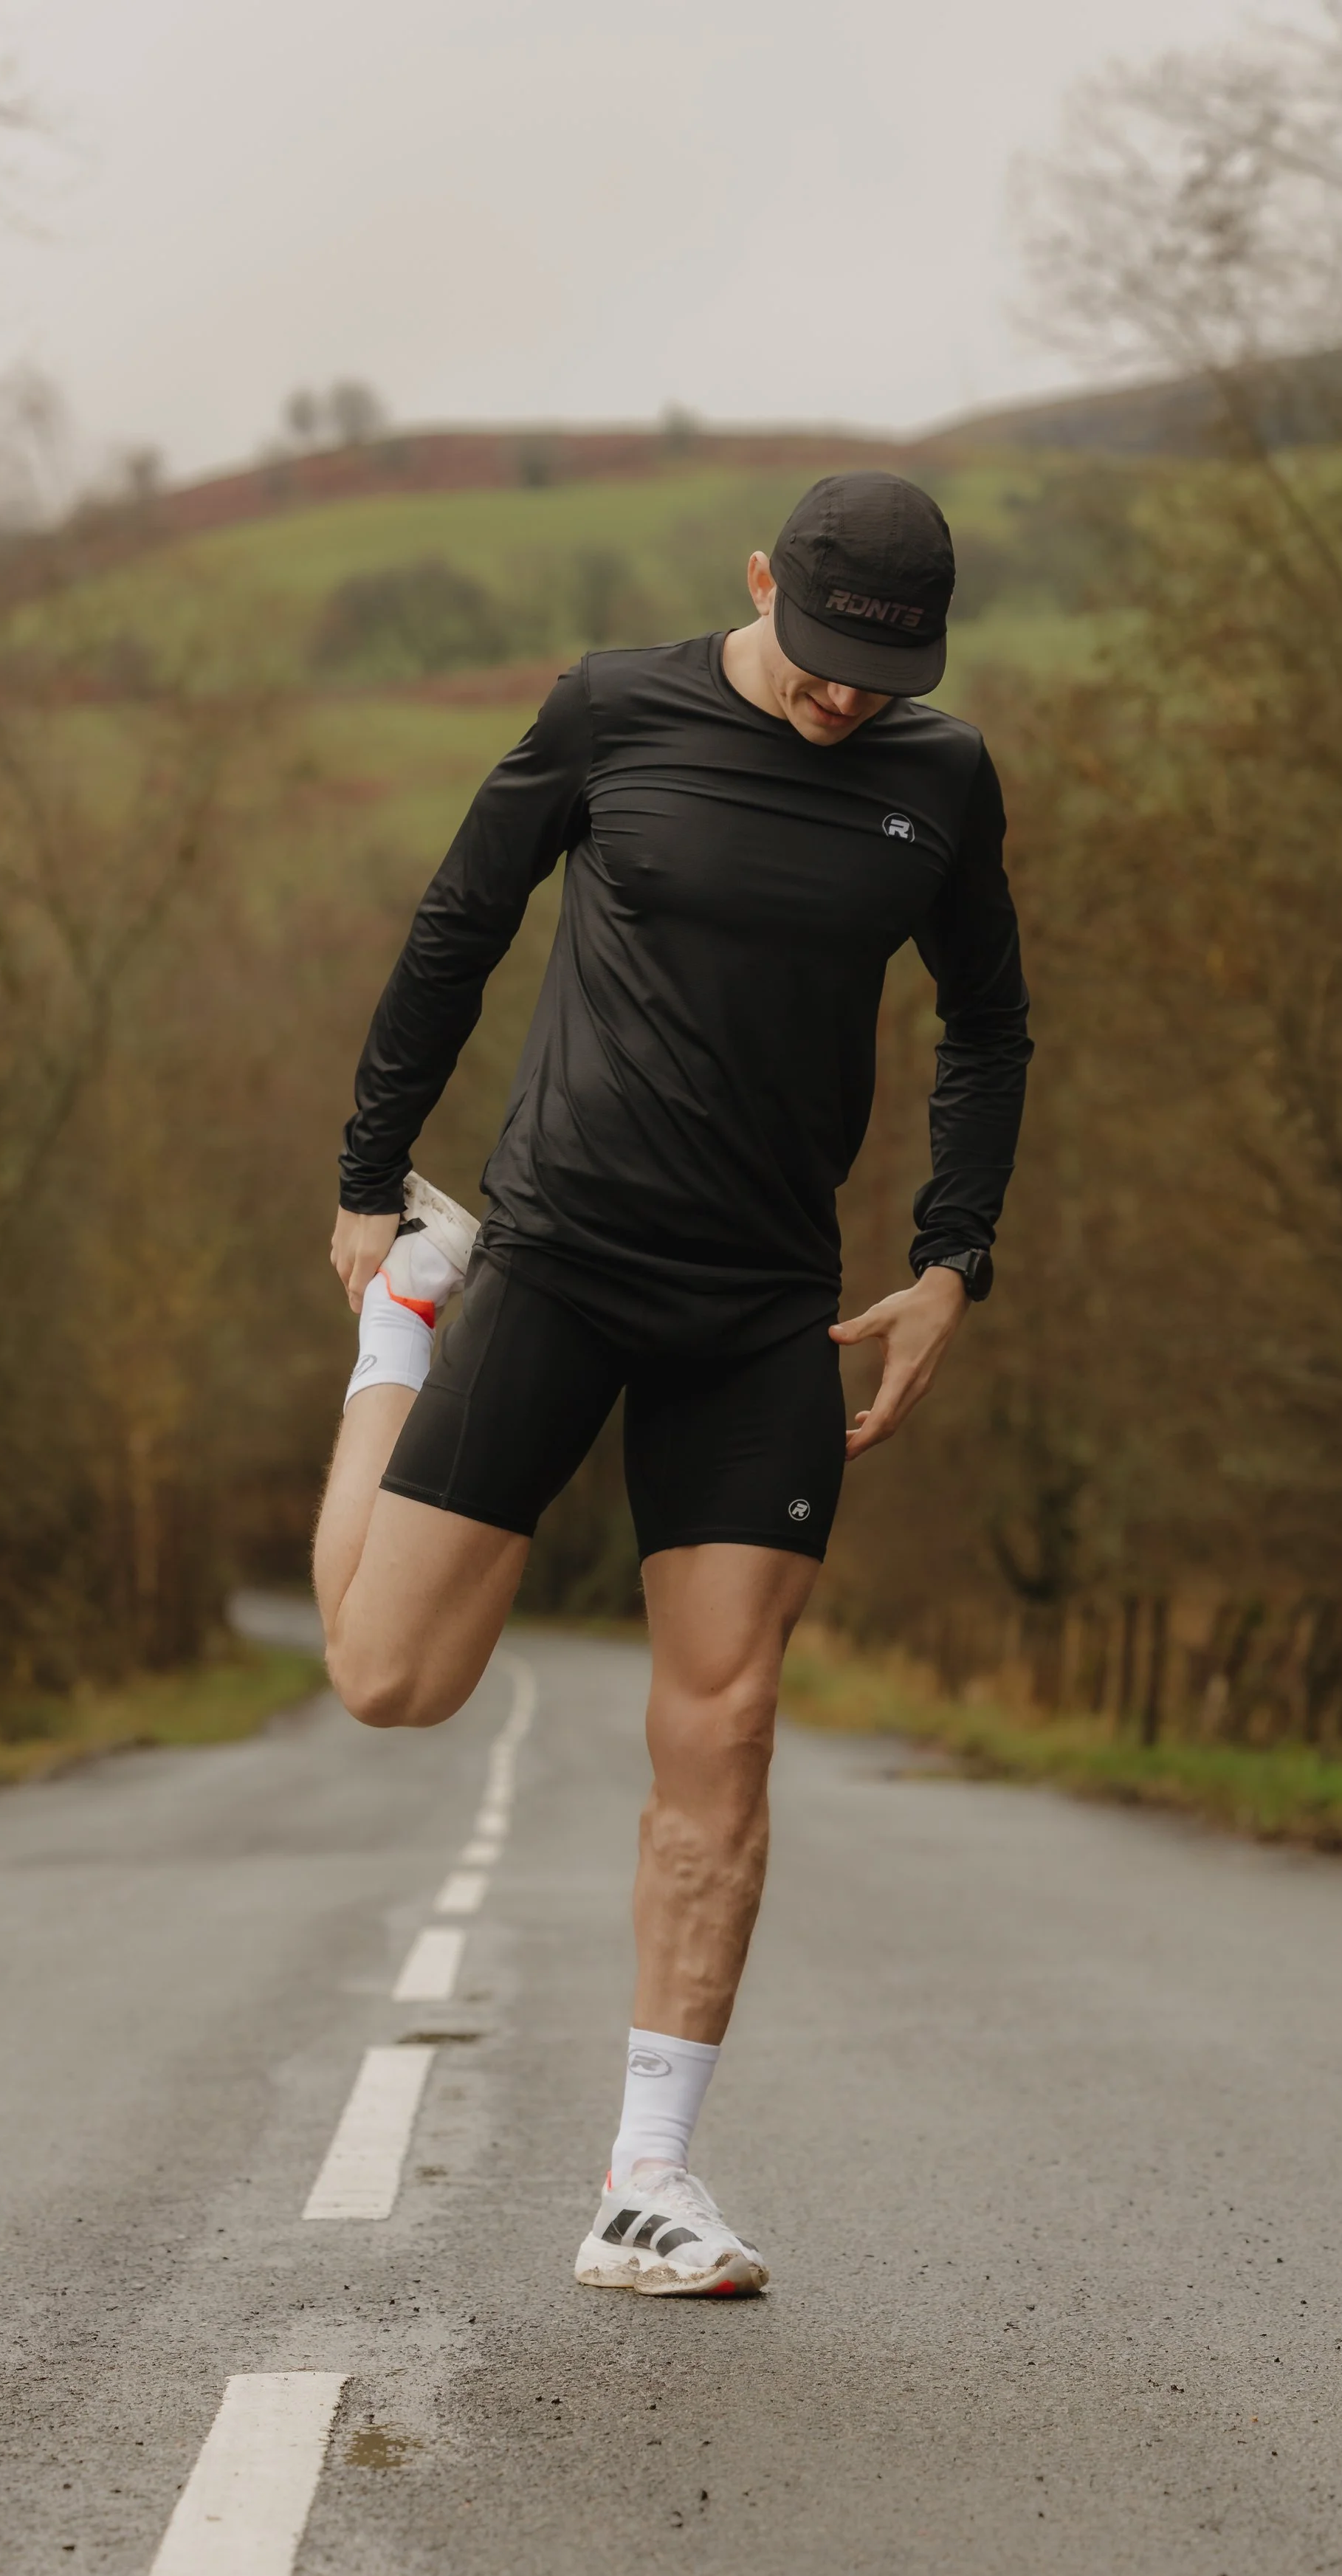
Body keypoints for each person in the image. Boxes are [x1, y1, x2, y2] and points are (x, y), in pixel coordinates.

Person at [313, 473, 1030, 2295]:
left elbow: (988, 1023)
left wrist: (952, 1256)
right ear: (754, 588)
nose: (842, 700)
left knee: (722, 1725)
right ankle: (403, 1332)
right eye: (816, 661)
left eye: (882, 674)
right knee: (393, 1680)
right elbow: (454, 926)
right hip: (552, 1261)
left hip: (760, 1314)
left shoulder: (938, 785)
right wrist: (364, 1177)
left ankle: (647, 2176)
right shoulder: (609, 709)